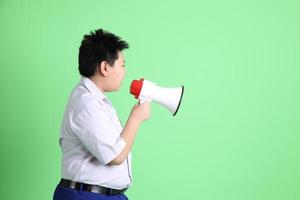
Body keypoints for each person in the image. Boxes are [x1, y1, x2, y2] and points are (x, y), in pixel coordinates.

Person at [53, 28, 151, 200]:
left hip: (103, 195)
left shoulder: (96, 100)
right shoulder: (87, 104)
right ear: (105, 67)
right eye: (122, 65)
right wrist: (136, 118)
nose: (125, 72)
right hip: (86, 196)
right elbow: (115, 155)